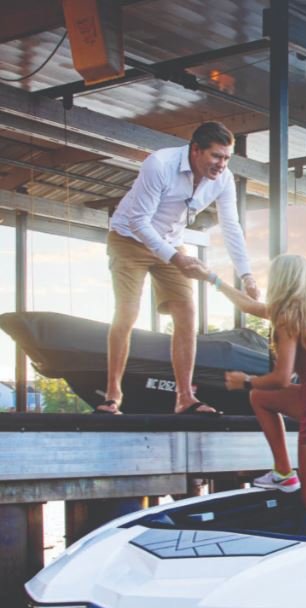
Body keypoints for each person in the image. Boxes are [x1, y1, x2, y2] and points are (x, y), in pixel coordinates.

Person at [97, 121, 257, 415]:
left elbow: (231, 226)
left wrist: (247, 275)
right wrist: (175, 257)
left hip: (171, 242)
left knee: (187, 312)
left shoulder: (223, 179)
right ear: (195, 150)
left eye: (226, 158)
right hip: (129, 238)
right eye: (216, 156)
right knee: (128, 312)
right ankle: (112, 395)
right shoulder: (159, 164)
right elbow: (139, 221)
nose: (221, 164)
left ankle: (185, 397)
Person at [214, 255, 306, 538]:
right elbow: (248, 305)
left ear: (280, 281)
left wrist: (244, 380)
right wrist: (214, 280)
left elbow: (282, 377)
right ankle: (283, 471)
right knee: (261, 397)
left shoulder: (287, 319)